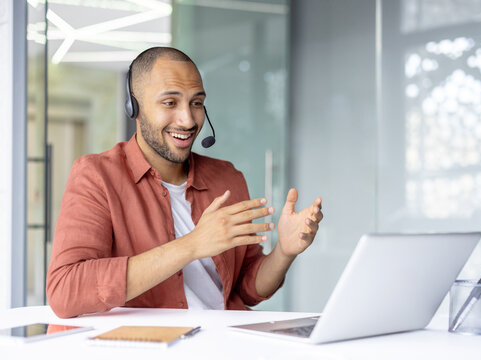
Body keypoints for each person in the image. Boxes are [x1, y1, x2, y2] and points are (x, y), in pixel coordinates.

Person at [46, 47, 323, 318]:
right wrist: (193, 244)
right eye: (170, 103)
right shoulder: (96, 176)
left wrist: (284, 252)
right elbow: (65, 289)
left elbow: (246, 289)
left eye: (196, 103)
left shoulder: (227, 179)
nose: (188, 120)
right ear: (135, 107)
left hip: (219, 344)